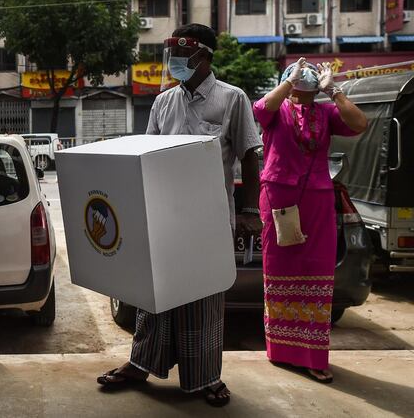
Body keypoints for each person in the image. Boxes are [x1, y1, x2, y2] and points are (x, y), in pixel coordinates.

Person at [97, 24, 263, 407]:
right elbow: (144, 157)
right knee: (154, 299)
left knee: (202, 305)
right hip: (163, 220)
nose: (174, 63)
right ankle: (139, 365)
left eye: (181, 55)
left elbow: (250, 156)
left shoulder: (232, 99)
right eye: (171, 55)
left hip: (208, 223)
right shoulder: (163, 102)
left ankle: (206, 377)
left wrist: (251, 210)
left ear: (203, 56)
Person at [254, 59, 367, 383]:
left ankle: (314, 356)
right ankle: (282, 351)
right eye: (298, 74)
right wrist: (289, 82)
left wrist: (333, 89)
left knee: (317, 271)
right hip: (279, 196)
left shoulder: (326, 112)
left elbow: (359, 124)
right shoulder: (278, 110)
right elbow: (261, 108)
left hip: (317, 198)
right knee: (279, 271)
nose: (304, 78)